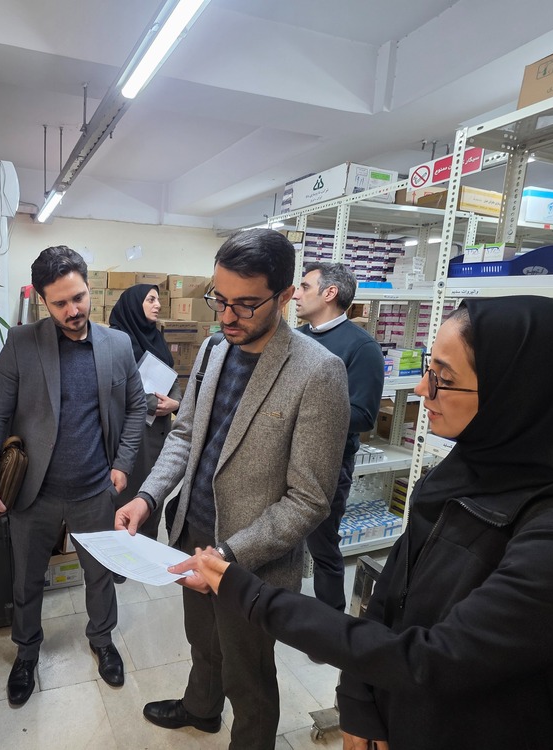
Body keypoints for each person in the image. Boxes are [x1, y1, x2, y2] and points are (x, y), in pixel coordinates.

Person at [172, 295, 553, 750]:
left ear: (521, 394)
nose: (422, 389)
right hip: (406, 715)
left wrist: (252, 594)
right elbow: (389, 600)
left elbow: (434, 659)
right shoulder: (470, 469)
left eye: (444, 379)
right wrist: (359, 700)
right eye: (428, 368)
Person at [115, 228, 350, 749]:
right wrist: (147, 497)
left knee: (248, 674)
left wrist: (226, 556)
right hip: (193, 532)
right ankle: (201, 709)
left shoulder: (318, 373)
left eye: (245, 304)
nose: (226, 316)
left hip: (250, 557)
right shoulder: (213, 350)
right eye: (219, 299)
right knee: (202, 641)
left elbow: (310, 500)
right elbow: (184, 435)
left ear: (284, 296)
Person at [0, 246, 146, 706]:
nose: (73, 311)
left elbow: (136, 408)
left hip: (95, 490)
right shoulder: (21, 344)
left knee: (100, 574)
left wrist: (122, 464)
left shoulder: (117, 345)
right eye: (60, 303)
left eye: (79, 297)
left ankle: (102, 640)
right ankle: (27, 651)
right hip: (35, 493)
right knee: (27, 579)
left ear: (89, 288)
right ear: (43, 302)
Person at [293, 262, 384, 612]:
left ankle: (330, 624)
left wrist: (303, 410)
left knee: (322, 546)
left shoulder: (361, 347)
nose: (296, 294)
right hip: (284, 456)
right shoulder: (295, 337)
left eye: (305, 286)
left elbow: (363, 416)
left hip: (326, 466)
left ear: (330, 293)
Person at [108, 283, 181, 540]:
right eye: (150, 300)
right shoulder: (116, 341)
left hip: (159, 432)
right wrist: (152, 404)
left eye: (158, 300)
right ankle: (121, 549)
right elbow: (112, 388)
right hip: (131, 435)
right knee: (126, 497)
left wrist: (176, 403)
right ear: (133, 305)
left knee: (153, 493)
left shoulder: (156, 337)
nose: (157, 305)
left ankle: (145, 548)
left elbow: (173, 378)